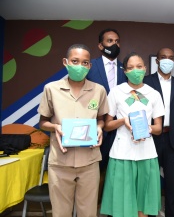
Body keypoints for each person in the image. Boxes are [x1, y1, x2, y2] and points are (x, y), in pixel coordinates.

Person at [38, 44, 109, 217]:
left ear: (89, 66)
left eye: (85, 63)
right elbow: (43, 122)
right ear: (66, 62)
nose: (80, 66)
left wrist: (99, 128)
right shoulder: (51, 89)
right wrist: (55, 127)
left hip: (90, 161)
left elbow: (101, 119)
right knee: (61, 212)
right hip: (61, 161)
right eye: (75, 61)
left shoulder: (98, 90)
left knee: (89, 212)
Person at [100, 52, 165, 217]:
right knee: (122, 201)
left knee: (143, 199)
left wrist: (146, 129)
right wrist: (123, 121)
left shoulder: (154, 94)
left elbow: (159, 128)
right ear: (124, 70)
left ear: (145, 68)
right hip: (122, 153)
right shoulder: (116, 92)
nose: (135, 70)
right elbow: (107, 125)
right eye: (130, 68)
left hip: (146, 152)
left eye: (139, 67)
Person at [143, 47, 174, 217]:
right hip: (151, 137)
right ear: (157, 60)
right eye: (163, 57)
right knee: (150, 181)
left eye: (170, 57)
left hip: (173, 139)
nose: (167, 60)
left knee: (171, 183)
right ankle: (151, 213)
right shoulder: (146, 82)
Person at [86, 28, 127, 171]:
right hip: (95, 127)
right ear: (100, 46)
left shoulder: (126, 69)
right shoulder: (90, 66)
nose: (114, 45)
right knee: (93, 172)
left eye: (117, 41)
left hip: (119, 128)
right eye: (109, 41)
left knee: (117, 171)